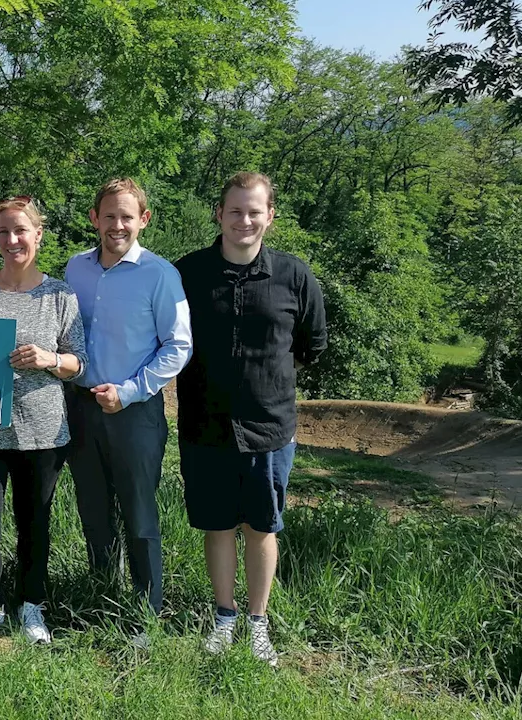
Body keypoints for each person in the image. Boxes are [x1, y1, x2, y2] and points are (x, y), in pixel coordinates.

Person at [175, 172, 327, 666]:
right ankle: (224, 618)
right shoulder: (187, 273)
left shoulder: (294, 275)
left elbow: (311, 345)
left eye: (254, 211)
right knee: (217, 526)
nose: (244, 220)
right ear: (218, 214)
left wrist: (265, 377)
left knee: (262, 527)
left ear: (270, 216)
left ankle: (258, 625)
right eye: (235, 210)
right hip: (204, 424)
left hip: (270, 426)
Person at [0, 197, 86, 646]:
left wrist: (50, 359)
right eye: (4, 233)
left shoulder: (60, 295)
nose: (12, 241)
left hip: (43, 432)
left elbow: (80, 362)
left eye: (21, 231)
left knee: (35, 527)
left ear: (38, 235)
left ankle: (32, 606)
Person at [63, 179, 192, 642]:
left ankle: (146, 611)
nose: (117, 225)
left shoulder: (159, 274)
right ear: (94, 218)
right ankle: (101, 593)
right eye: (109, 216)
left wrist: (131, 391)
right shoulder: (74, 270)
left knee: (139, 512)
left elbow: (178, 346)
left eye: (127, 216)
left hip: (135, 411)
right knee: (93, 509)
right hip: (80, 407)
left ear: (144, 220)